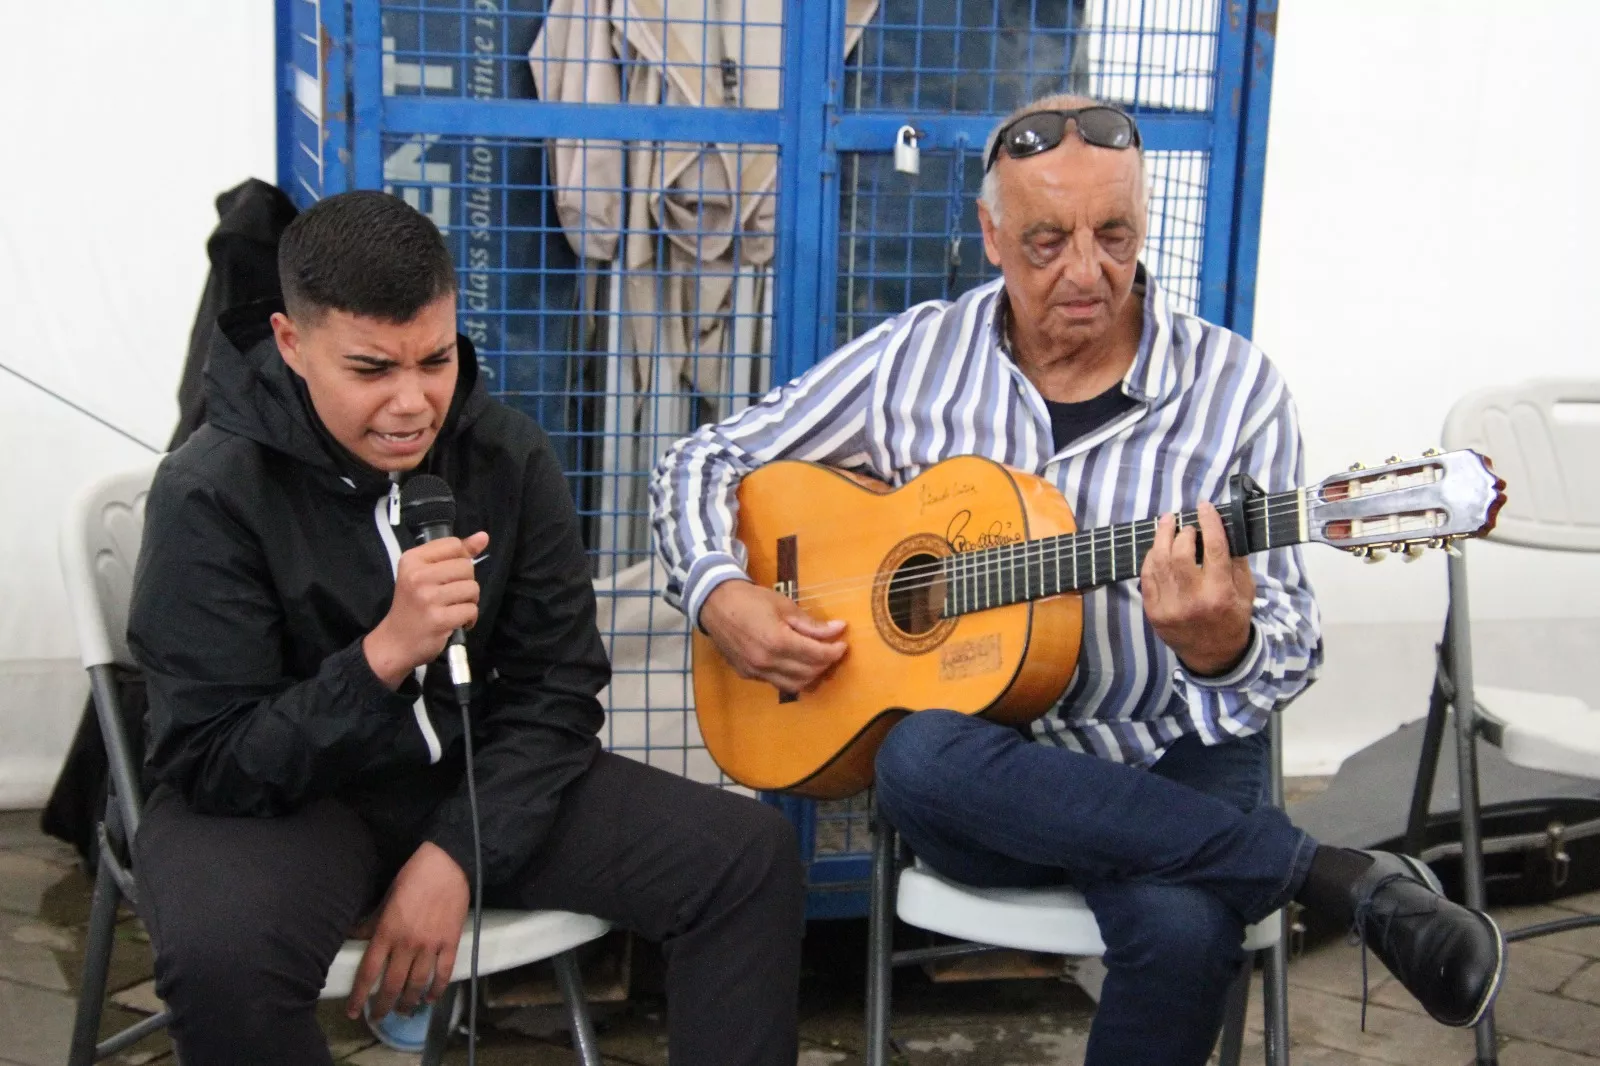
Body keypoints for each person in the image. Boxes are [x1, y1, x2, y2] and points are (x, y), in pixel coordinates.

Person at [651, 94, 1505, 1065]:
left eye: (1115, 234)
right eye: (1046, 241)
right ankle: (1329, 876)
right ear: (989, 233)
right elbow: (703, 460)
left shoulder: (1234, 389)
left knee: (1183, 934)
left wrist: (1223, 644)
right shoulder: (916, 357)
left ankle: (1320, 877)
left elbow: (1290, 648)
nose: (1087, 273)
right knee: (918, 759)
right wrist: (722, 593)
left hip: (1168, 749)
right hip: (986, 777)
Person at [128, 190, 804, 1066]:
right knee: (224, 959)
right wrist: (381, 657)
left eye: (435, 360)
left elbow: (558, 691)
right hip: (282, 803)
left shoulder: (507, 454)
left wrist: (456, 854)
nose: (413, 402)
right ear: (292, 345)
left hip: (475, 777)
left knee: (744, 861)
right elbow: (210, 757)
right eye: (371, 369)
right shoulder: (209, 491)